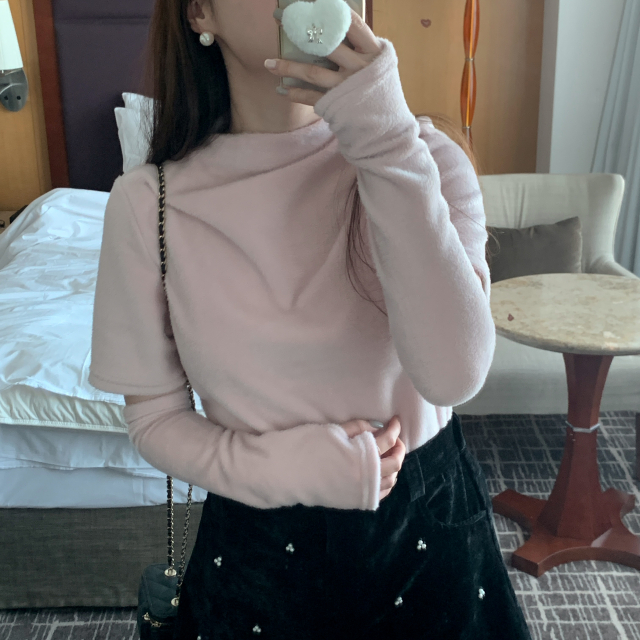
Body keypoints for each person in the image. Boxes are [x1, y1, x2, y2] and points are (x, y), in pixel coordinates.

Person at [88, 1, 533, 638]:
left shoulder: (424, 158)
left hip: (428, 533)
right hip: (257, 549)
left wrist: (383, 140)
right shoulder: (146, 204)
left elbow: (453, 376)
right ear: (200, 12)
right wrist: (285, 467)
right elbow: (154, 418)